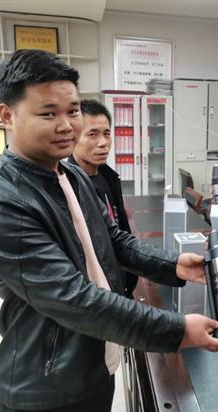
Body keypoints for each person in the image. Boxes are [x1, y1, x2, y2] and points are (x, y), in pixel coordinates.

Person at [0, 49, 218, 412]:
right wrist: (176, 330)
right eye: (48, 114)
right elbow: (72, 299)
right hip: (48, 385)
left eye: (73, 111)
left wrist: (173, 265)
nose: (66, 125)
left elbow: (114, 241)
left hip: (94, 358)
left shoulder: (71, 175)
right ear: (7, 115)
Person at [68, 99, 138, 298]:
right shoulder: (67, 186)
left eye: (106, 133)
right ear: (73, 137)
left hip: (121, 281)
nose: (103, 143)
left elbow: (118, 232)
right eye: (92, 134)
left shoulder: (107, 176)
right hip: (97, 293)